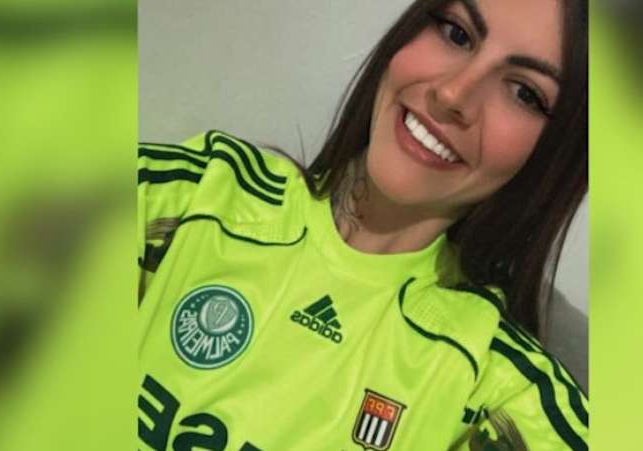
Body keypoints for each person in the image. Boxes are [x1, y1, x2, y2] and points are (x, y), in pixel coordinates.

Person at [137, 0, 588, 449]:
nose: (453, 95)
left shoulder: (498, 386)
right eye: (457, 33)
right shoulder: (194, 197)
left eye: (524, 93)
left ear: (556, 155)